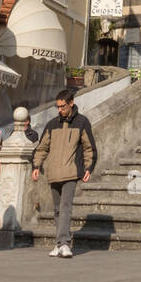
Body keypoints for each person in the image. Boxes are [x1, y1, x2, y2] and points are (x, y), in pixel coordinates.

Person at [32, 87, 96, 258]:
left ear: (71, 103)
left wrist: (89, 168)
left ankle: (65, 243)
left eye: (62, 106)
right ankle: (59, 244)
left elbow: (89, 148)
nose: (59, 110)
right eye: (57, 107)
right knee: (57, 210)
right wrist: (36, 166)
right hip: (53, 172)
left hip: (71, 172)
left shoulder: (82, 122)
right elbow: (42, 148)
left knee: (65, 207)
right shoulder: (52, 124)